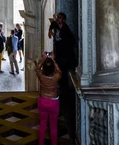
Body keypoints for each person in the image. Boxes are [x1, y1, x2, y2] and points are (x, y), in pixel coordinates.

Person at [48, 12, 77, 142]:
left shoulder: (66, 30)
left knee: (63, 81)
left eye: (59, 18)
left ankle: (63, 100)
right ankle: (60, 100)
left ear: (63, 20)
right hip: (59, 57)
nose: (57, 20)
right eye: (57, 18)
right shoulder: (55, 24)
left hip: (66, 58)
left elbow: (71, 41)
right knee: (59, 79)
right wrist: (50, 32)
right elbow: (52, 25)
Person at [35, 52, 62, 145]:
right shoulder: (56, 77)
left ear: (44, 68)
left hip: (43, 101)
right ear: (53, 68)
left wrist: (43, 59)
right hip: (54, 103)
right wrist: (53, 60)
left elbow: (37, 68)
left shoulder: (41, 76)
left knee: (42, 124)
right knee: (53, 126)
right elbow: (59, 71)